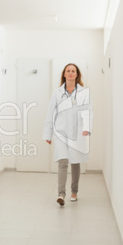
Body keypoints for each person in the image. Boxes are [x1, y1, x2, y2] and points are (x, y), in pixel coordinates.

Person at [43, 63, 93, 206]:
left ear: (77, 74)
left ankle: (74, 192)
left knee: (75, 162)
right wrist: (48, 133)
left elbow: (88, 110)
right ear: (64, 74)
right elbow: (50, 113)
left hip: (77, 132)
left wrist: (87, 127)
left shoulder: (84, 92)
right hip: (61, 132)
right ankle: (61, 194)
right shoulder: (57, 93)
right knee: (62, 161)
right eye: (68, 71)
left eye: (73, 71)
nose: (71, 73)